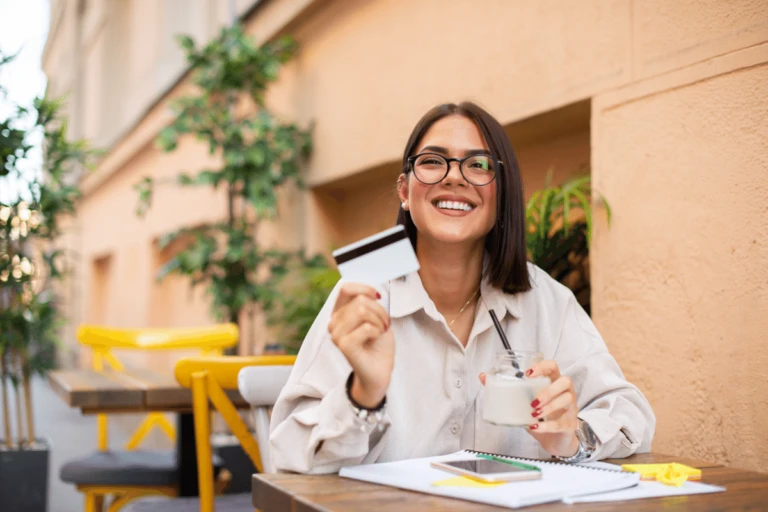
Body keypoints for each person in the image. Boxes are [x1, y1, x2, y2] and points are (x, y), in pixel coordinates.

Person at [269, 101, 655, 474]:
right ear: (404, 191)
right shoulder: (364, 295)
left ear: (500, 194)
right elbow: (286, 448)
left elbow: (629, 414)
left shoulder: (546, 300)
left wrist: (574, 437)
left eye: (479, 164)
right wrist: (362, 396)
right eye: (433, 161)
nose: (454, 176)